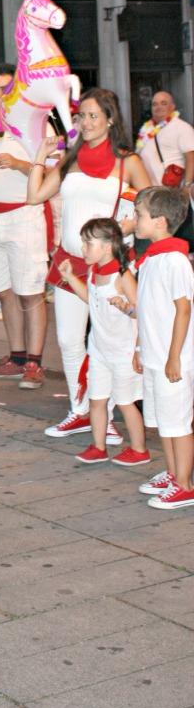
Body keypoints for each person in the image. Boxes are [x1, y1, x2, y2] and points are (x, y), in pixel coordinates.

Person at [28, 87, 150, 439]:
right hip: (69, 262)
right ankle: (79, 410)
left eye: (94, 115)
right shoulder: (70, 158)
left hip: (109, 268)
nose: (86, 122)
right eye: (81, 116)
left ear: (111, 120)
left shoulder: (129, 162)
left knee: (106, 343)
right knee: (69, 340)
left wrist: (129, 226)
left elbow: (153, 207)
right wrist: (40, 154)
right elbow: (34, 195)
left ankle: (104, 415)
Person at [117, 187, 194, 508]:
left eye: (139, 215)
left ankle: (185, 484)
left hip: (171, 358)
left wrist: (174, 356)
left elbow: (184, 309)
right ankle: (173, 471)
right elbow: (147, 309)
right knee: (163, 420)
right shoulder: (151, 258)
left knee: (178, 422)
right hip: (153, 354)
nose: (135, 220)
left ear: (160, 222)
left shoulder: (175, 261)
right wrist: (139, 348)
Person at [0, 64, 49, 389]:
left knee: (30, 293)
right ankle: (16, 357)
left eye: (4, 89)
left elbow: (53, 174)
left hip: (24, 216)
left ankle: (35, 362)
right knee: (4, 291)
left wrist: (21, 165)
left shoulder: (36, 126)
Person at [57, 218, 149, 466]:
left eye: (88, 244)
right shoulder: (93, 270)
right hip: (99, 348)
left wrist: (126, 309)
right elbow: (91, 298)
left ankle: (139, 449)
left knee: (125, 402)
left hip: (123, 351)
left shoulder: (123, 275)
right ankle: (98, 446)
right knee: (96, 399)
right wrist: (69, 277)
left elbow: (142, 312)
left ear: (108, 247)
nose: (83, 249)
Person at [135, 91, 194, 189]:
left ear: (172, 106)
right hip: (148, 190)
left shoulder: (182, 127)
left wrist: (187, 187)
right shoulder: (147, 128)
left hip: (170, 192)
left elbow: (191, 158)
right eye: (155, 104)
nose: (158, 107)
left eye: (164, 103)